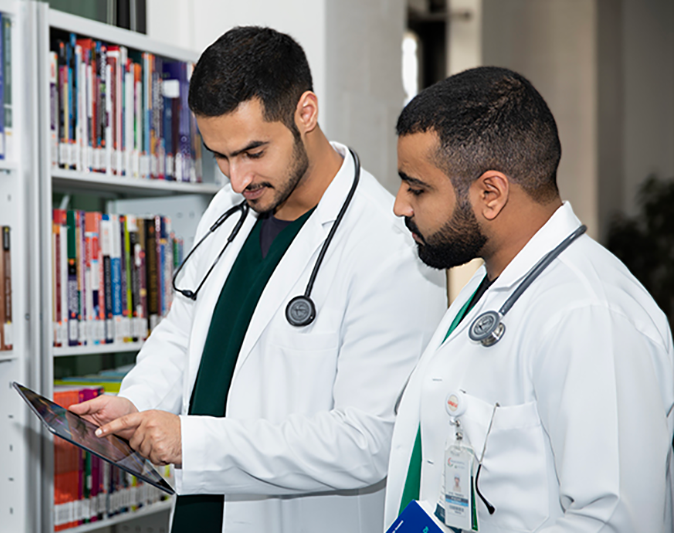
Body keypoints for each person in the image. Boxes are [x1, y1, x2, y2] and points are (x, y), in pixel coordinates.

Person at [70, 26, 446, 533]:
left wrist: (193, 442)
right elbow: (185, 331)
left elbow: (368, 440)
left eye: (252, 152)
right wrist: (136, 404)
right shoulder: (229, 209)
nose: (236, 178)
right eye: (219, 156)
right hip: (202, 508)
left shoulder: (391, 243)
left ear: (305, 113)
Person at [384, 66, 674, 532]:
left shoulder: (590, 317)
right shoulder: (493, 285)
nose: (400, 205)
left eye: (417, 188)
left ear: (491, 193)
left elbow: (614, 523)